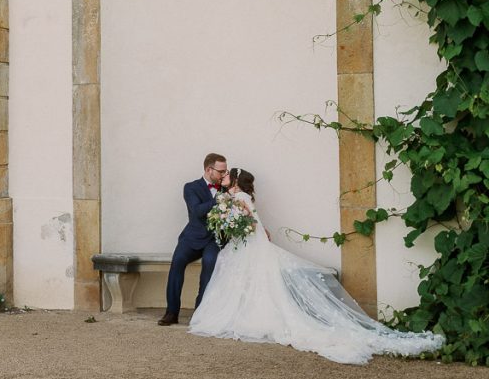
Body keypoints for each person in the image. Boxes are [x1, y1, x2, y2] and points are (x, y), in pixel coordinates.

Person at [188, 168, 445, 365]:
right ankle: (238, 312)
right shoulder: (233, 195)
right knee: (243, 276)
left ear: (233, 181)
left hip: (246, 244)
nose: (223, 177)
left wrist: (240, 224)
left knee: (249, 277)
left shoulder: (239, 196)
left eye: (227, 175)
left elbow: (251, 222)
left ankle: (244, 316)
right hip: (241, 244)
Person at [157, 153, 227, 326]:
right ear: (209, 170)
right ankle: (171, 312)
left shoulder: (227, 187)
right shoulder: (190, 187)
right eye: (221, 171)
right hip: (192, 237)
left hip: (214, 239)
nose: (224, 175)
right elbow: (197, 211)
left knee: (210, 264)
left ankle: (200, 312)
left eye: (226, 171)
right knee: (177, 263)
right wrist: (218, 199)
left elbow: (243, 208)